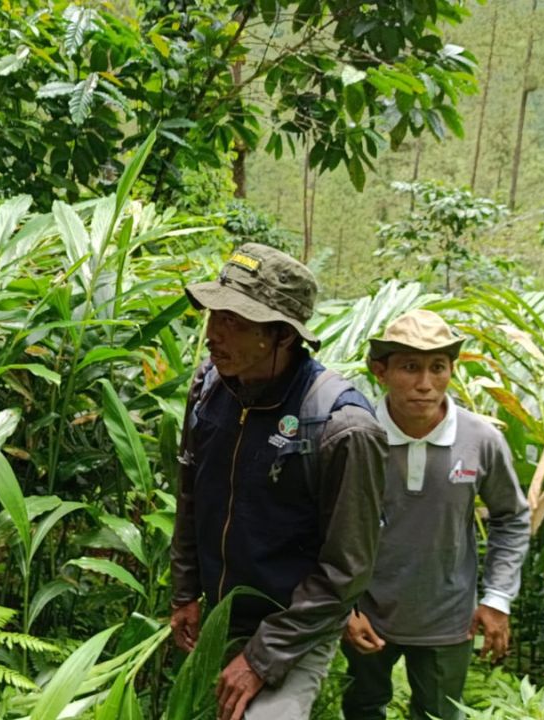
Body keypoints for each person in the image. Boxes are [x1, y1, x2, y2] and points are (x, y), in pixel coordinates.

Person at [169, 243, 387, 720]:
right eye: (214, 315)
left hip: (296, 627)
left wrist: (261, 657)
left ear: (283, 336)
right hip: (219, 617)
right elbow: (192, 493)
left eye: (236, 322)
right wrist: (185, 591)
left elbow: (345, 571)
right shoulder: (210, 387)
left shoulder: (340, 427)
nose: (214, 334)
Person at [341, 310, 530, 720]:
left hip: (449, 619)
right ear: (381, 371)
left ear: (451, 370)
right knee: (361, 708)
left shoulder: (480, 440)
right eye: (410, 368)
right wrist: (342, 609)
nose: (425, 384)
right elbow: (323, 526)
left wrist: (497, 598)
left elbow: (511, 518)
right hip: (366, 615)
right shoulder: (356, 436)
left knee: (439, 714)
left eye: (437, 368)